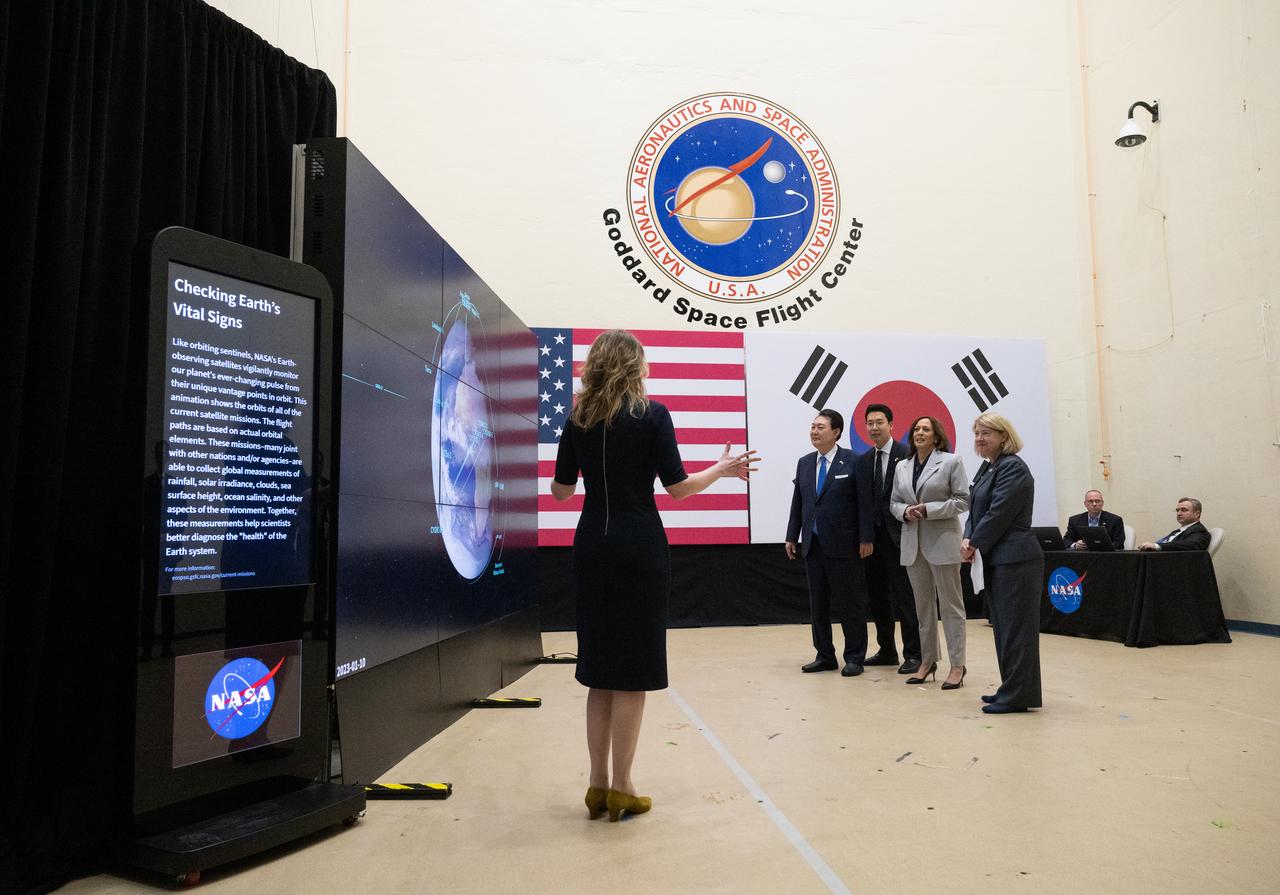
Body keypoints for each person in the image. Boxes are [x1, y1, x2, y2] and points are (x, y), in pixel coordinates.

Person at [550, 330, 757, 822]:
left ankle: (597, 784)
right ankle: (623, 786)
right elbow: (679, 489)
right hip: (639, 550)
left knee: (598, 672)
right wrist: (723, 469)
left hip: (591, 549)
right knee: (633, 674)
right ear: (634, 365)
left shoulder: (577, 416)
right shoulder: (652, 414)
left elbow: (560, 492)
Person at [960, 412, 1042, 715]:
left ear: (1004, 437)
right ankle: (1012, 688)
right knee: (1004, 628)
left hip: (1016, 558)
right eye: (977, 433)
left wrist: (975, 542)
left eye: (987, 433)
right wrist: (969, 537)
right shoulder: (988, 469)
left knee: (1017, 630)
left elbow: (999, 513)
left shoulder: (1013, 469)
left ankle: (1018, 694)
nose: (980, 439)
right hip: (997, 558)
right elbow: (975, 511)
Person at [785, 409, 872, 677]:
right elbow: (799, 501)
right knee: (818, 604)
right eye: (812, 426)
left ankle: (855, 656)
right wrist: (792, 535)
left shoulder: (853, 461)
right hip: (813, 544)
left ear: (836, 432)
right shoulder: (805, 462)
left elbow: (864, 504)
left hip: (845, 545)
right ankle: (824, 655)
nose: (814, 431)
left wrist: (866, 538)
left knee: (850, 602)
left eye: (820, 427)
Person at [890, 416, 969, 689]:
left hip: (943, 542)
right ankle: (927, 661)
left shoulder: (951, 461)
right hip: (913, 543)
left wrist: (928, 509)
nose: (919, 433)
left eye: (926, 429)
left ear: (936, 437)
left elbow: (962, 501)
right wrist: (905, 512)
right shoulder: (902, 466)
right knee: (922, 609)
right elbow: (894, 502)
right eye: (916, 429)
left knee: (951, 607)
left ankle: (957, 665)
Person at [854, 404, 921, 674]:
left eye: (879, 422)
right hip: (873, 542)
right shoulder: (863, 460)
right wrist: (865, 537)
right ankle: (887, 650)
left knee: (905, 597)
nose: (873, 428)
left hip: (901, 536)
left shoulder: (907, 455)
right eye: (869, 423)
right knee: (877, 597)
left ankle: (914, 653)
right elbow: (864, 504)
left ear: (892, 425)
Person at [1138, 498, 1211, 551]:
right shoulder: (1177, 531)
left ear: (1197, 514)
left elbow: (1189, 544)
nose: (1179, 513)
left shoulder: (1199, 530)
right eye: (1177, 510)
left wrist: (1157, 546)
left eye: (1184, 510)